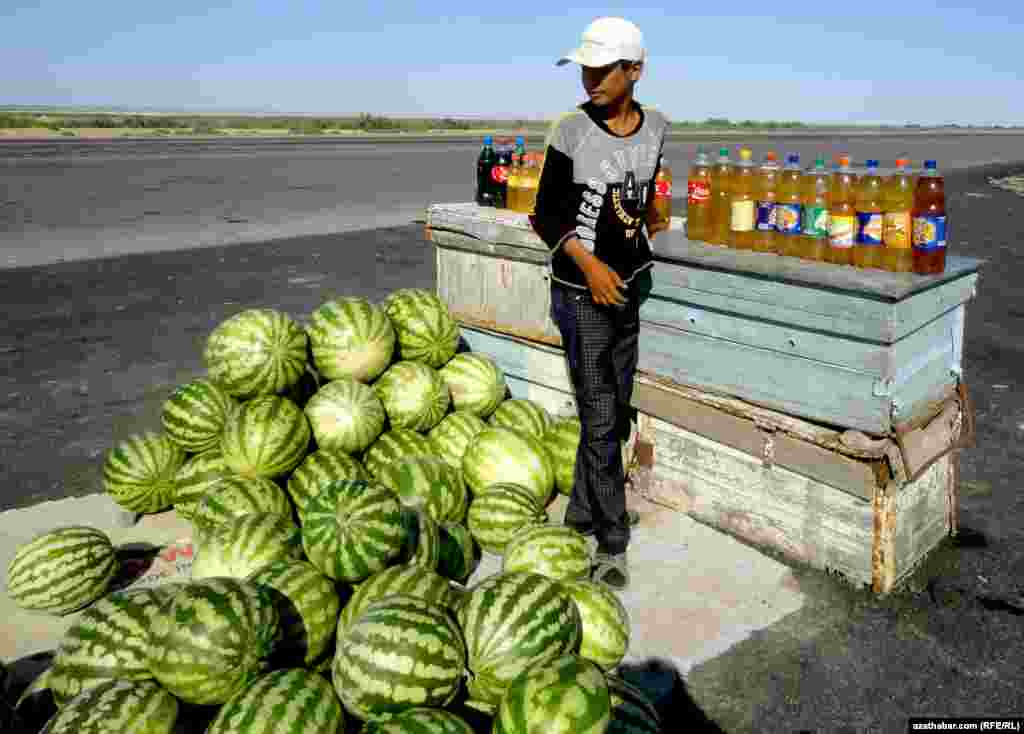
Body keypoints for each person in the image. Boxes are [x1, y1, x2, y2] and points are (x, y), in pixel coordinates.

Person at [528, 17, 670, 589]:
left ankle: (579, 517)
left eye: (602, 68)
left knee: (608, 408)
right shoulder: (570, 132)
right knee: (602, 413)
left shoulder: (658, 127)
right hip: (579, 293)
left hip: (630, 285)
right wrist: (590, 267)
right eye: (584, 68)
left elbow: (645, 191)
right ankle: (611, 540)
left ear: (634, 71)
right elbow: (546, 213)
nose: (590, 78)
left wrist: (647, 226)